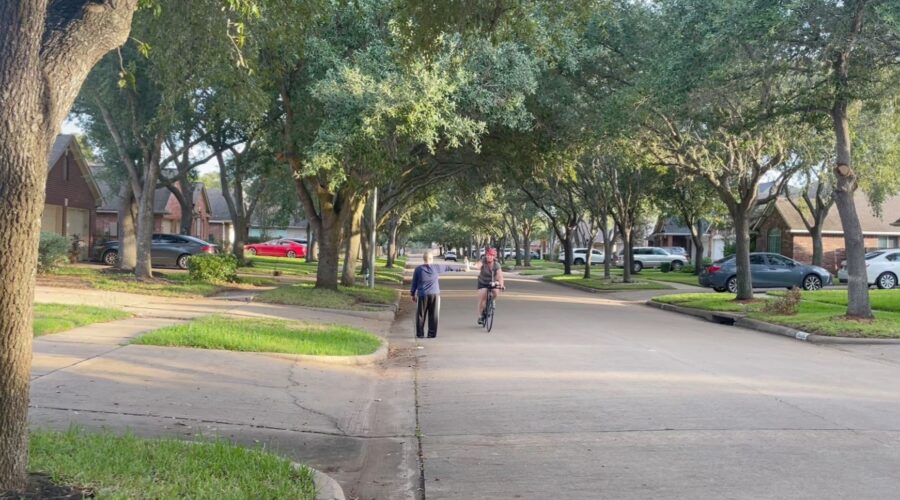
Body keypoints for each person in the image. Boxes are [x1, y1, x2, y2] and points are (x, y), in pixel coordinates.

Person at [409, 250, 460, 339]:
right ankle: (431, 333)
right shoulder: (436, 267)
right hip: (434, 294)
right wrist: (461, 269)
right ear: (431, 259)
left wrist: (412, 294)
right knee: (433, 314)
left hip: (422, 295)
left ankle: (420, 333)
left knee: (421, 314)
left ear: (423, 259)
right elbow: (448, 267)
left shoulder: (418, 270)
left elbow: (414, 283)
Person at [476, 247, 505, 325]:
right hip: (483, 282)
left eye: (491, 255)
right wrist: (478, 265)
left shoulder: (496, 265)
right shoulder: (483, 261)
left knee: (495, 292)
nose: (489, 257)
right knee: (482, 298)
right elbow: (478, 265)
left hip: (492, 282)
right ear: (486, 255)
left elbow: (500, 276)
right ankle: (480, 316)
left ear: (494, 257)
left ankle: (492, 301)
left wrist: (501, 285)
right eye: (488, 255)